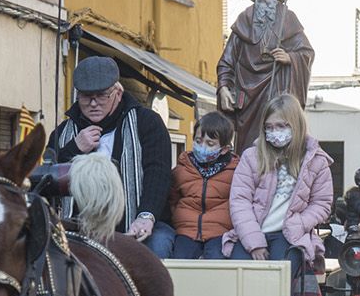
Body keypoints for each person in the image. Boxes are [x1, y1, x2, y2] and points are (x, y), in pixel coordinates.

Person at [48, 56, 174, 255]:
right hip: (77, 229)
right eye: (85, 96)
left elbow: (158, 174)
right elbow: (48, 179)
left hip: (139, 223)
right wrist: (74, 148)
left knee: (156, 248)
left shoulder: (148, 123)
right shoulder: (62, 133)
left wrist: (146, 217)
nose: (93, 103)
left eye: (102, 95)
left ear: (118, 92)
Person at [224, 96, 333, 273]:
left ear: (295, 125)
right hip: (252, 230)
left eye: (281, 126)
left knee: (279, 280)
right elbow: (240, 201)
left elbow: (322, 203)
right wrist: (254, 242)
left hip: (289, 235)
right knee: (240, 279)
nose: (274, 132)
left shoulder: (316, 161)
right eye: (269, 127)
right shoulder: (251, 156)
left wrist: (299, 223)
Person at [217, 0, 315, 152]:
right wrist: (223, 87)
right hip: (248, 95)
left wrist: (290, 58)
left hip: (277, 90)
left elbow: (307, 52)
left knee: (278, 138)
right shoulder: (244, 19)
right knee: (248, 146)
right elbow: (227, 59)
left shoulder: (288, 18)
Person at [167, 112, 238, 258]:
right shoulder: (182, 168)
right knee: (180, 264)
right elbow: (172, 199)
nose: (202, 146)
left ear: (224, 149)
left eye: (210, 144)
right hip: (186, 231)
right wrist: (179, 219)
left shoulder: (235, 171)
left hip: (219, 232)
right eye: (198, 141)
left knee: (216, 264)